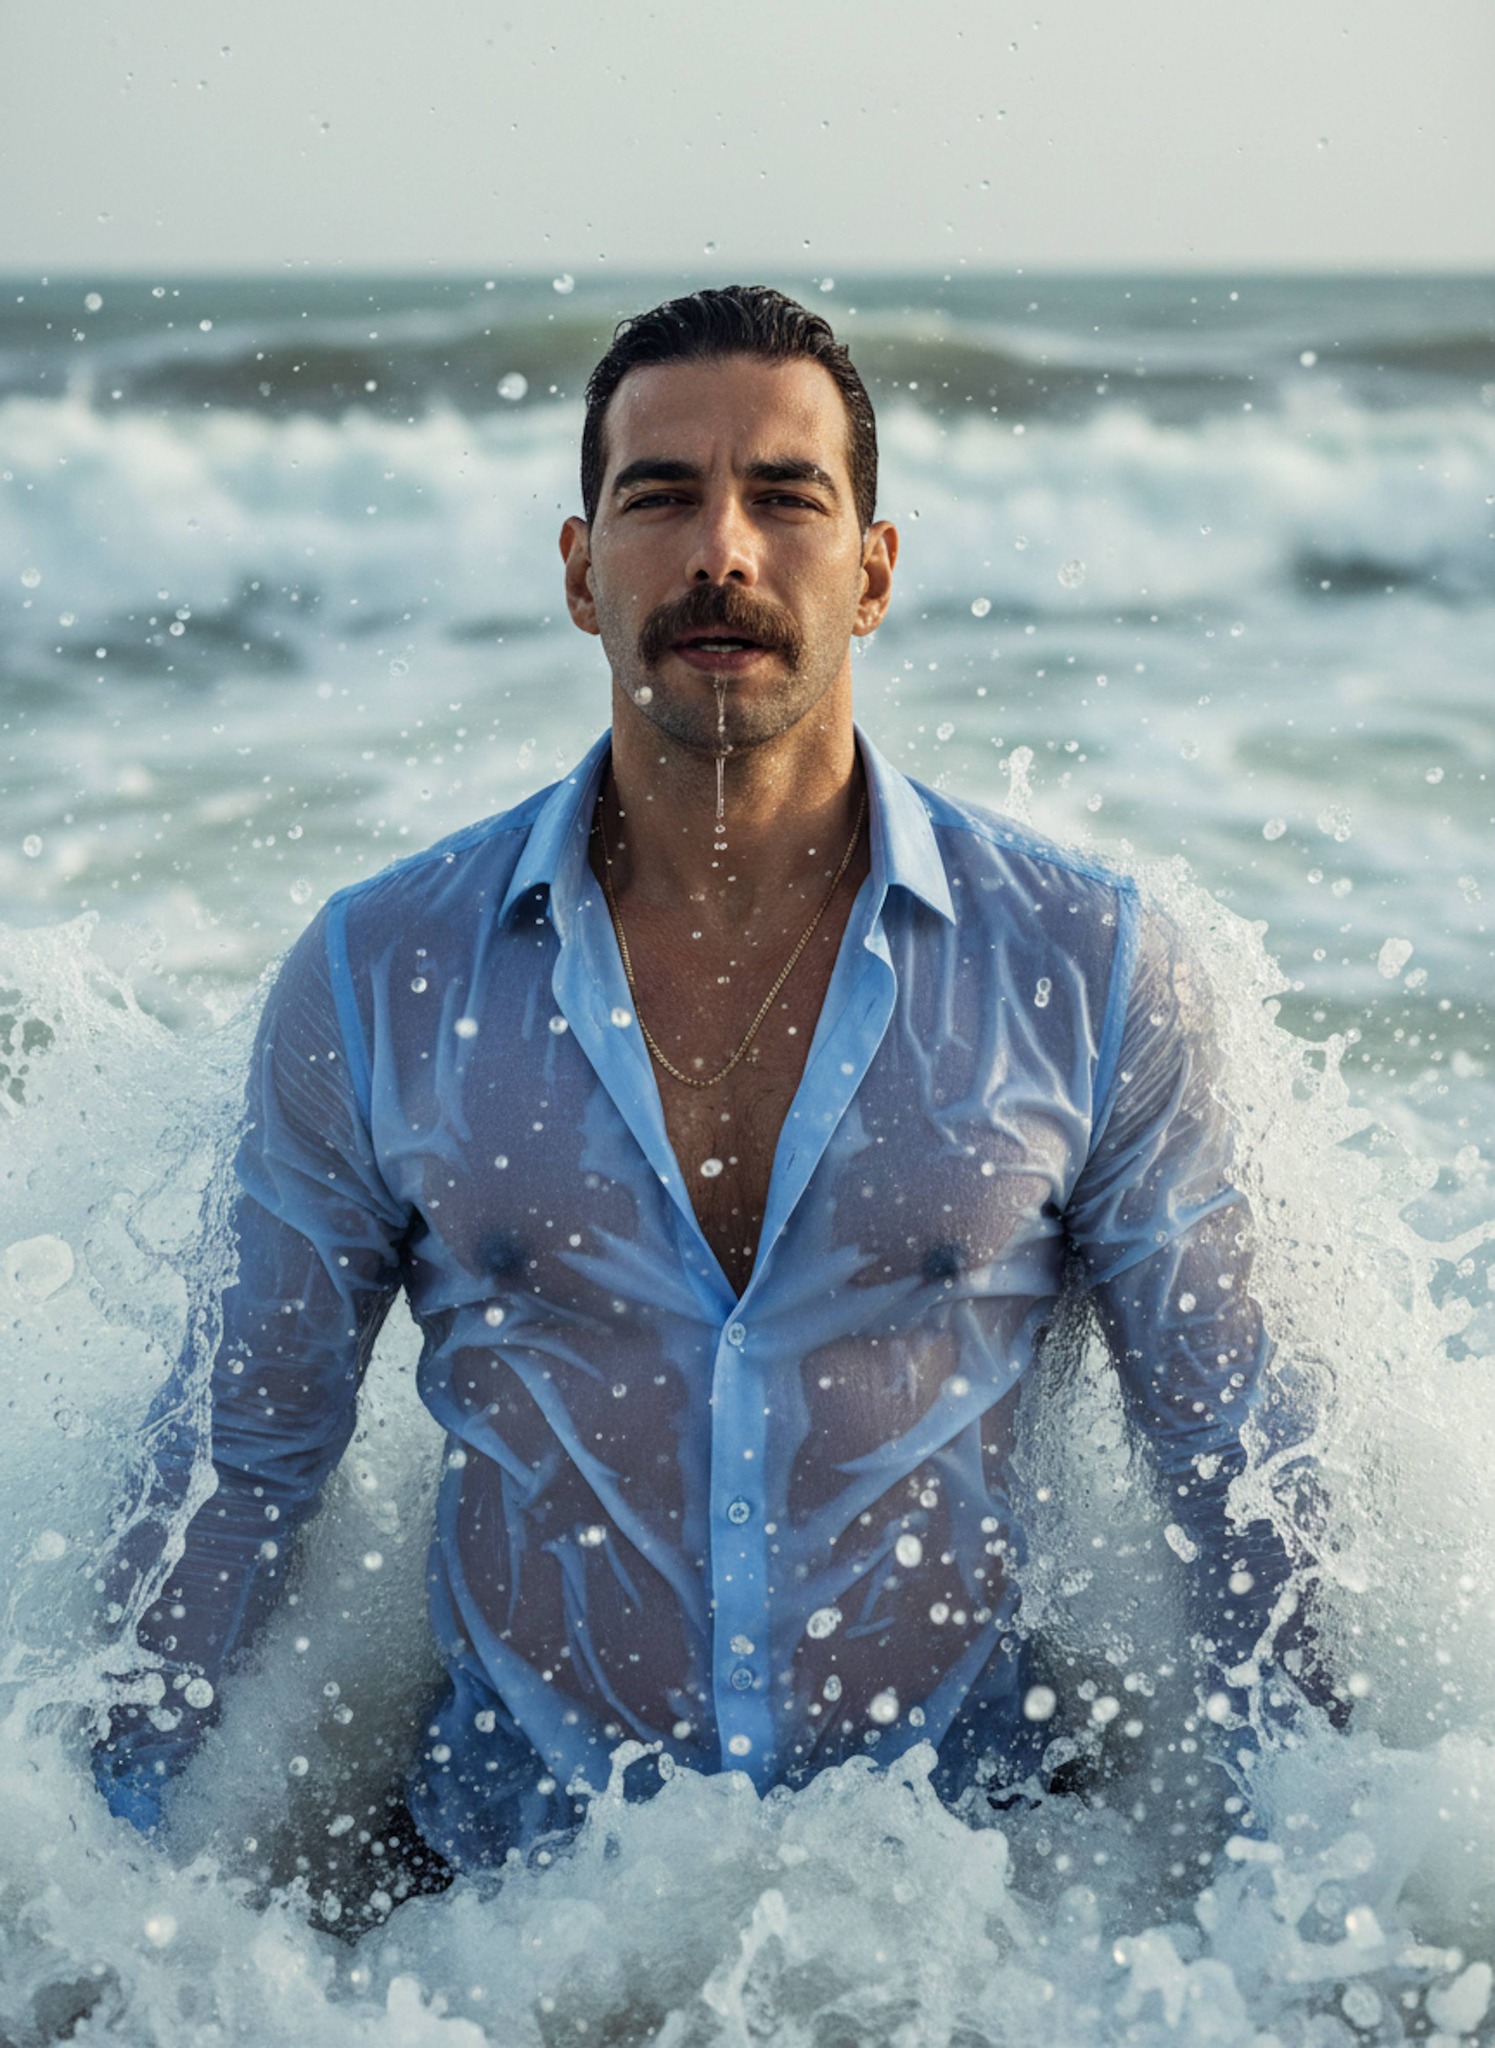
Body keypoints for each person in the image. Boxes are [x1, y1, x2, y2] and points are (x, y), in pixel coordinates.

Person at [92, 285, 1333, 1905]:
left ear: (874, 571)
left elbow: (1232, 1465)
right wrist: (86, 1870)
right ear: (578, 565)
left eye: (786, 498)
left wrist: (1333, 1903)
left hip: (971, 1922)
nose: (720, 552)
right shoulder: (376, 976)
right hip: (510, 1922)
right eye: (659, 496)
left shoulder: (1084, 970)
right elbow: (237, 1462)